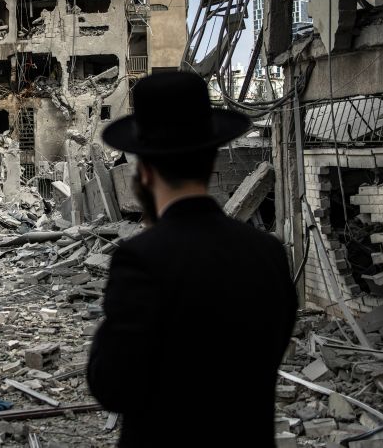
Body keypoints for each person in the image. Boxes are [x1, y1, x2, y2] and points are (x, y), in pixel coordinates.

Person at [88, 72, 297, 447]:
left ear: (145, 172)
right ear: (212, 157)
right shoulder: (268, 254)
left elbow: (112, 385)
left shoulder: (141, 260)